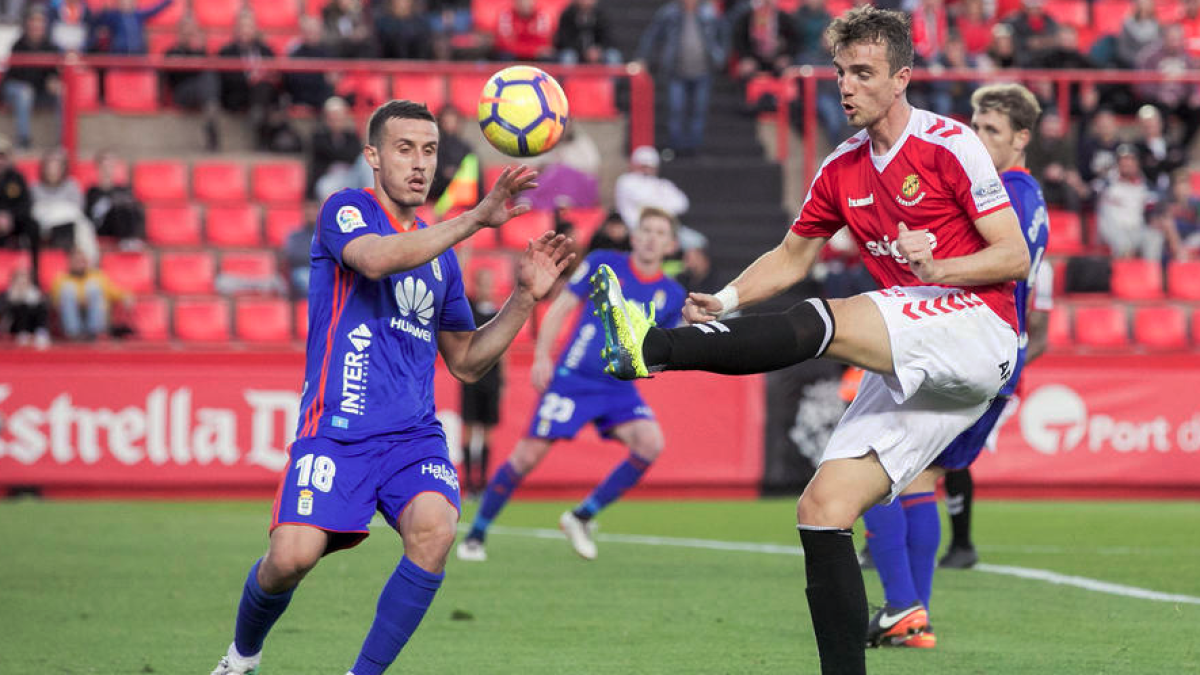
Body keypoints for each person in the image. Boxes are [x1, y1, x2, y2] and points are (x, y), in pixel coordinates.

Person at [589, 8, 1028, 674]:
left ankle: (653, 348)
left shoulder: (949, 143)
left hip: (978, 329)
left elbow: (1015, 255)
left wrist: (940, 267)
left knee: (834, 316)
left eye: (863, 73)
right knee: (823, 508)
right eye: (840, 72)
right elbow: (792, 254)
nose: (846, 86)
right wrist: (729, 298)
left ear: (902, 77)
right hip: (917, 349)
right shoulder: (842, 166)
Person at [207, 99, 575, 675]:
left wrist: (525, 298)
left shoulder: (442, 258)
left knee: (435, 530)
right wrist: (476, 218)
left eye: (429, 150)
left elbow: (468, 362)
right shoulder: (345, 210)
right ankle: (241, 657)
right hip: (337, 431)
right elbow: (374, 261)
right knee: (291, 557)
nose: (419, 163)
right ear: (373, 157)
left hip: (412, 438)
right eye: (405, 149)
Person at [858, 84, 1051, 653]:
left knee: (875, 469)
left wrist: (928, 259)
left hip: (966, 346)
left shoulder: (1004, 196)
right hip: (998, 352)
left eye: (990, 130)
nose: (976, 135)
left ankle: (902, 608)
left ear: (1021, 139)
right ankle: (910, 615)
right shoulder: (1032, 197)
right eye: (974, 124)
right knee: (918, 478)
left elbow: (988, 264)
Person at [457, 206, 686, 562]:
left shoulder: (671, 294)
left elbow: (671, 344)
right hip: (574, 379)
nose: (652, 238)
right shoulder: (603, 263)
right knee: (527, 456)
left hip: (617, 387)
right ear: (634, 236)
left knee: (650, 443)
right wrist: (543, 357)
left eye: (660, 233)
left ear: (670, 245)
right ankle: (476, 535)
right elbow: (562, 307)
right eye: (647, 230)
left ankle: (581, 516)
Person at [636, 0, 727, 155]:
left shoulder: (709, 13)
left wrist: (720, 55)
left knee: (698, 111)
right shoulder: (669, 13)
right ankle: (676, 146)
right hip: (676, 71)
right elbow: (652, 35)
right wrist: (642, 57)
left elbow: (724, 34)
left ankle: (694, 147)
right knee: (676, 109)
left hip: (703, 71)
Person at [459, 266, 504, 498]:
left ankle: (483, 482)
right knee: (469, 427)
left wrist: (502, 380)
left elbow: (503, 349)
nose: (488, 286)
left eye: (490, 281)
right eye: (483, 281)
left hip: (492, 377)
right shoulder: (469, 309)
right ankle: (468, 483)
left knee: (487, 430)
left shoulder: (500, 313)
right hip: (471, 376)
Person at [2, 7, 62, 150]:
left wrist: (53, 81)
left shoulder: (51, 46)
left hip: (39, 91)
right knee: (25, 92)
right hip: (14, 89)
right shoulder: (18, 44)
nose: (36, 25)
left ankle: (62, 142)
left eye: (40, 21)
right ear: (27, 24)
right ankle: (24, 140)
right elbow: (17, 75)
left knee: (62, 92)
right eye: (33, 21)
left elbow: (54, 73)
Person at [163, 14, 220, 151]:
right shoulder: (171, 52)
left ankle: (210, 118)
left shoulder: (200, 52)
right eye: (185, 30)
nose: (188, 34)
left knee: (209, 77)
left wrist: (195, 56)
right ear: (179, 32)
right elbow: (173, 78)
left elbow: (206, 70)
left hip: (201, 92)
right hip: (182, 94)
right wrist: (192, 64)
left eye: (191, 30)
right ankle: (211, 117)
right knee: (207, 79)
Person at [51, 246, 130, 340]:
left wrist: (126, 297)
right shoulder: (61, 279)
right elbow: (55, 302)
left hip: (95, 317)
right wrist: (81, 301)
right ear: (70, 262)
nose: (80, 264)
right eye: (76, 261)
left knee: (94, 288)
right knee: (68, 290)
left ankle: (93, 333)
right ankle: (74, 335)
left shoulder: (98, 276)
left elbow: (114, 292)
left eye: (82, 261)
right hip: (71, 319)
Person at [612, 146, 689, 231]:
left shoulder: (663, 184)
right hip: (637, 229)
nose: (647, 170)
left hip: (664, 227)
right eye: (644, 166)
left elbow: (682, 204)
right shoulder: (626, 181)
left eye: (651, 167)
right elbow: (635, 204)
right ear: (635, 165)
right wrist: (661, 204)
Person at [85, 150, 144, 247]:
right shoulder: (92, 192)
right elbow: (89, 217)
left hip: (120, 225)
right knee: (118, 207)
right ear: (98, 167)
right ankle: (128, 240)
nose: (107, 169)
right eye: (104, 166)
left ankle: (131, 239)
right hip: (102, 226)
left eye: (110, 166)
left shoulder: (122, 189)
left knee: (130, 206)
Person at [554, 0, 622, 65]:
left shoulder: (602, 14)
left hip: (598, 52)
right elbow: (564, 39)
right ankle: (565, 77)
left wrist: (598, 49)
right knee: (567, 56)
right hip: (576, 51)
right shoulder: (567, 15)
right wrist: (583, 51)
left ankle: (613, 78)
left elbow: (608, 37)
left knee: (613, 55)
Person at [1, 266, 50, 348]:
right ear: (13, 281)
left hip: (33, 326)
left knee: (40, 305)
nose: (22, 282)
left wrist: (30, 298)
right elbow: (3, 312)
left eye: (25, 279)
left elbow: (43, 310)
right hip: (14, 327)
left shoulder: (36, 294)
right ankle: (23, 334)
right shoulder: (6, 295)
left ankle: (41, 332)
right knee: (22, 307)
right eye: (19, 279)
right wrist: (15, 299)